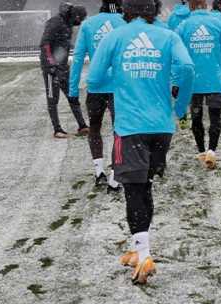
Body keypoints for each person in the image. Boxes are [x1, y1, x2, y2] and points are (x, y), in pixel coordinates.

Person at [88, 0, 195, 284]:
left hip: (131, 128)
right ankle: (139, 249)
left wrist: (123, 75)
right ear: (155, 10)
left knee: (134, 189)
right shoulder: (169, 36)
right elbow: (186, 68)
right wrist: (180, 107)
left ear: (126, 10)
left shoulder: (116, 37)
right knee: (145, 185)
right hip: (162, 127)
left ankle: (144, 253)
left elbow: (96, 78)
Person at [69, 0, 126, 190]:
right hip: (119, 86)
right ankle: (115, 176)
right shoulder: (124, 22)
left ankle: (99, 170)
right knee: (120, 130)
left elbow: (77, 58)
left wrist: (73, 89)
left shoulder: (88, 24)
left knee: (94, 127)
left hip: (96, 85)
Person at [176, 0, 221, 170]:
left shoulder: (183, 26)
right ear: (206, 5)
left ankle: (201, 151)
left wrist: (178, 80)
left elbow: (177, 56)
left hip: (192, 81)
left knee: (196, 117)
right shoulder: (218, 23)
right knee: (215, 117)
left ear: (191, 6)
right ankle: (212, 150)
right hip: (215, 79)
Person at [40, 2, 89, 139]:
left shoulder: (67, 23)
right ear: (75, 16)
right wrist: (51, 64)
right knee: (52, 99)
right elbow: (45, 43)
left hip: (62, 67)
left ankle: (83, 126)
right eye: (80, 19)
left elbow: (61, 45)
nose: (79, 23)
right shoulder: (55, 22)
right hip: (51, 68)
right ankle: (57, 130)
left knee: (72, 95)